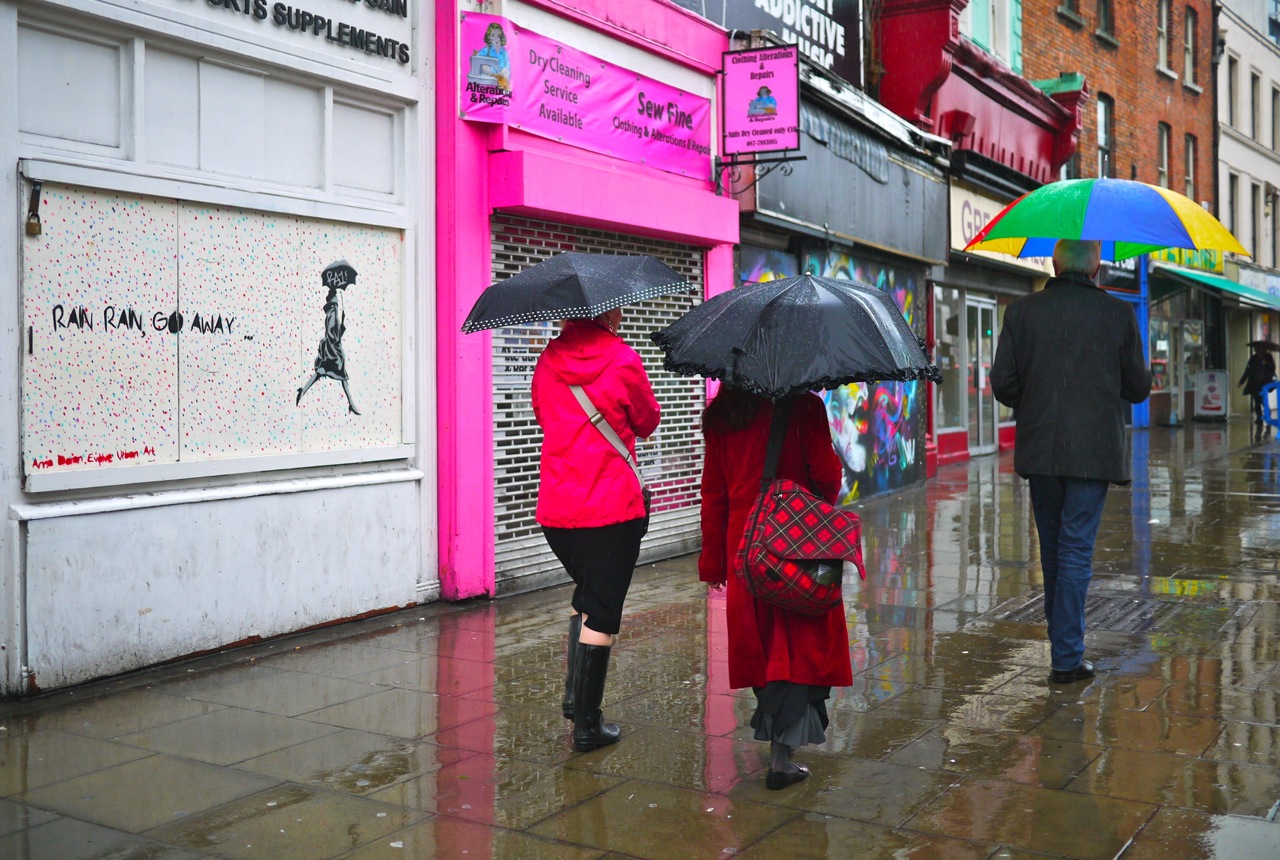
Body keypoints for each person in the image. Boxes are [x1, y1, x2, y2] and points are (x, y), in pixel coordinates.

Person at [990, 239, 1152, 685]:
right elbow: (1138, 389)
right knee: (1076, 548)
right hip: (1094, 451)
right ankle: (1066, 656)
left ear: (1055, 264)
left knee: (1053, 547)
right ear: (1096, 266)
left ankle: (1063, 644)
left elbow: (1003, 383)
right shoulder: (1118, 314)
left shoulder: (1022, 313)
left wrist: (1039, 401)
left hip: (1042, 449)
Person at [698, 386, 852, 789]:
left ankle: (779, 743)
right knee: (798, 643)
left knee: (762, 644)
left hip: (744, 546)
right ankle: (782, 757)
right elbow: (827, 479)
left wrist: (714, 559)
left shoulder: (724, 413)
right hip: (793, 539)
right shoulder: (804, 406)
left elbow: (713, 493)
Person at [531, 308, 660, 752]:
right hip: (610, 510)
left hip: (558, 512)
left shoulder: (548, 359)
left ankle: (574, 697)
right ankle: (587, 727)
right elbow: (647, 420)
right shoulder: (623, 358)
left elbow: (543, 416)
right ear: (611, 313)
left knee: (587, 593)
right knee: (602, 612)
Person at [297, 260, 360, 415]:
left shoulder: (331, 313)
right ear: (333, 301)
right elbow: (333, 334)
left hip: (329, 349)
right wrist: (341, 326)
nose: (338, 301)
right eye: (336, 299)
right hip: (334, 350)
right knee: (343, 376)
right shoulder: (332, 314)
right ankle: (351, 403)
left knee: (320, 372)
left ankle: (303, 390)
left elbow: (333, 331)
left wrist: (342, 322)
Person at [1239, 344, 1276, 440]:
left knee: (1263, 400)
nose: (1258, 350)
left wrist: (1266, 363)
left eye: (1260, 349)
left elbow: (1272, 368)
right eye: (1257, 349)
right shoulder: (1253, 358)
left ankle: (1267, 415)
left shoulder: (1268, 357)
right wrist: (1242, 381)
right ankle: (1259, 417)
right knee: (1256, 400)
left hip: (1264, 383)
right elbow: (1247, 370)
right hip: (1255, 383)